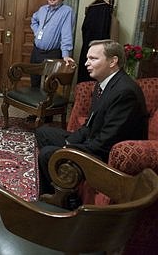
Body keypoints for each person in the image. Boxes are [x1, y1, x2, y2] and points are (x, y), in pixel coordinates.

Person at [36, 39, 148, 195]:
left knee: (47, 153)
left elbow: (106, 143)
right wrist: (70, 141)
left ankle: (59, 202)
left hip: (106, 156)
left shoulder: (125, 92)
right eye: (88, 58)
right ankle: (63, 183)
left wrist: (67, 149)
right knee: (44, 132)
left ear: (113, 61)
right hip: (94, 140)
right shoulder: (102, 84)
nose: (86, 63)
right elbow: (89, 124)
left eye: (93, 59)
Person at [30, 0, 75, 88]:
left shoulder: (67, 11)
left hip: (52, 54)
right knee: (34, 82)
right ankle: (35, 104)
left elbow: (66, 34)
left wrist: (66, 55)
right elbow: (34, 20)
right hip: (36, 52)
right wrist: (37, 31)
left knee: (49, 85)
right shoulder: (42, 9)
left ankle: (46, 104)